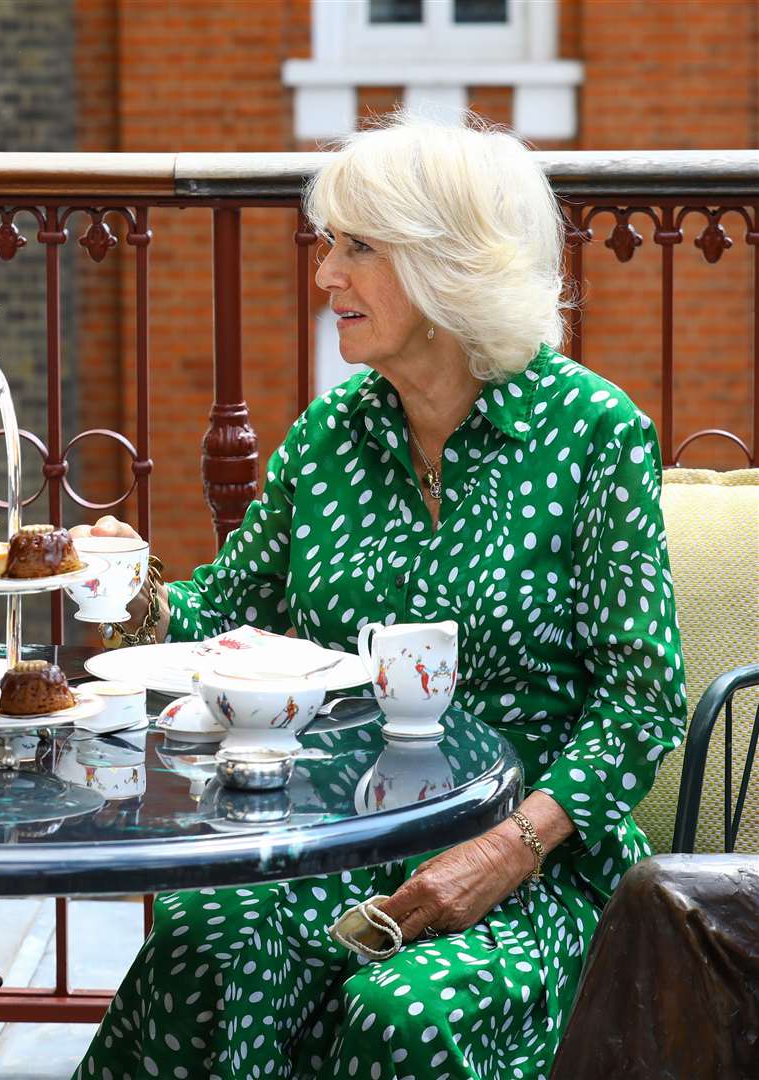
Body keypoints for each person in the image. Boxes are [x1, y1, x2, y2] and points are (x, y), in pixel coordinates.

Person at [73, 112, 686, 1080]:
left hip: (531, 861)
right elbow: (224, 618)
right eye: (329, 245)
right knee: (207, 939)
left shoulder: (590, 433)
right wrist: (131, 590)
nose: (325, 276)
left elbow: (641, 700)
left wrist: (509, 849)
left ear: (450, 266)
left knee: (405, 1011)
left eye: (357, 248)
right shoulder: (330, 436)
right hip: (337, 838)